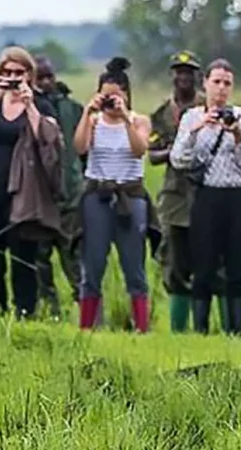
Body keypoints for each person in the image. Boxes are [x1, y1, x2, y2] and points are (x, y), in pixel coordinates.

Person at [0, 46, 63, 319]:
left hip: (25, 187)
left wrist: (28, 103)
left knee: (23, 253)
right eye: (7, 72)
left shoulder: (41, 104)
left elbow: (46, 137)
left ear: (29, 75)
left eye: (18, 73)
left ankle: (24, 311)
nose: (12, 78)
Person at [170, 58, 241, 336]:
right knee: (203, 265)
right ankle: (201, 330)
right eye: (216, 82)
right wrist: (197, 129)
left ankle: (236, 329)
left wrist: (236, 136)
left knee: (237, 264)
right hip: (206, 197)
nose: (221, 89)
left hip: (237, 197)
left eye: (227, 83)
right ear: (205, 84)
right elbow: (178, 160)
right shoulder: (191, 117)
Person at [73, 56, 160, 332]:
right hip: (97, 194)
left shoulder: (139, 121)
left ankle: (142, 327)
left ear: (126, 96)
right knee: (93, 263)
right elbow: (80, 148)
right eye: (106, 96)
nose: (111, 102)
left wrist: (124, 118)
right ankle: (87, 327)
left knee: (134, 264)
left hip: (129, 195)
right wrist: (88, 114)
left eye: (116, 96)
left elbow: (139, 149)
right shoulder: (94, 122)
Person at [147, 50, 226, 333]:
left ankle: (217, 327)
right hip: (175, 196)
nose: (183, 77)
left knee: (214, 263)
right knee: (175, 263)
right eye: (179, 71)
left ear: (198, 76)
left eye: (189, 71)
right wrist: (179, 148)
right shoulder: (160, 114)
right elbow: (153, 155)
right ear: (172, 75)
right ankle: (179, 332)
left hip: (208, 189)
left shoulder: (211, 109)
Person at [32, 55, 85, 321]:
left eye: (49, 76)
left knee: (74, 257)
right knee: (40, 262)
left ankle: (87, 310)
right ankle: (50, 313)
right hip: (40, 200)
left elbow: (85, 150)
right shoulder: (28, 109)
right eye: (39, 78)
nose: (45, 83)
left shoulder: (73, 109)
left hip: (71, 196)